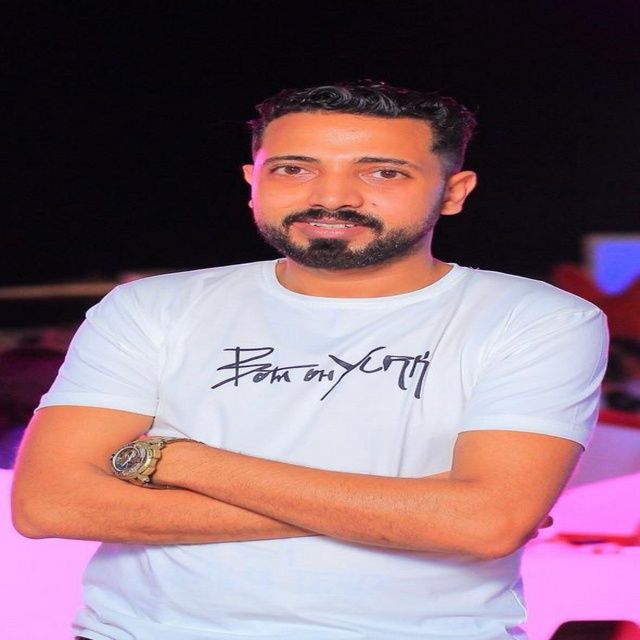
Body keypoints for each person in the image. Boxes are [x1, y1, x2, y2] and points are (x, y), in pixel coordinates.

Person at [12, 81, 608, 640]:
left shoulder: (538, 319)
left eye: (383, 172)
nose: (331, 197)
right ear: (252, 181)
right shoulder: (152, 307)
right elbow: (48, 504)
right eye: (294, 169)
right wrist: (416, 510)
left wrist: (179, 460)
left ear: (454, 192)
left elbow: (484, 525)